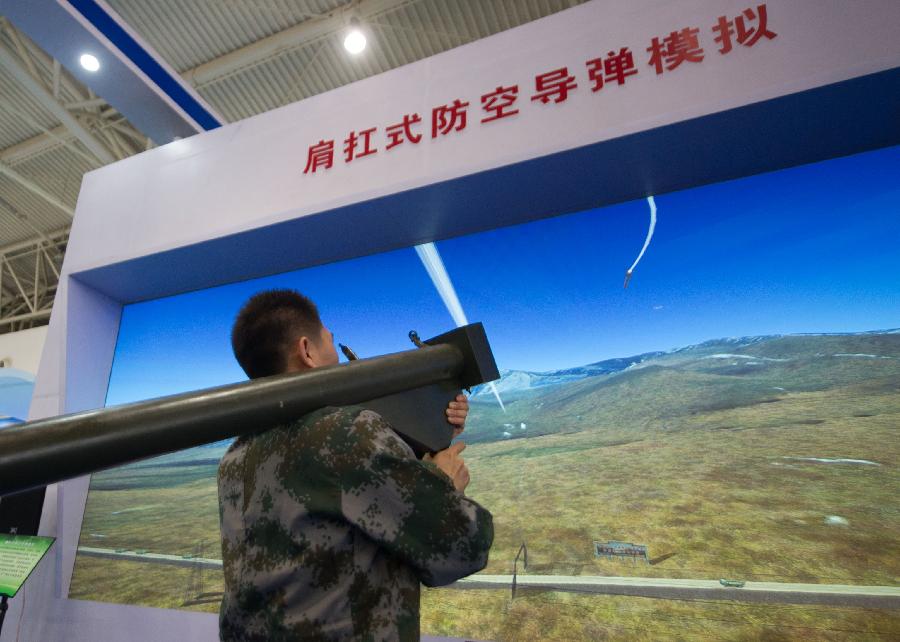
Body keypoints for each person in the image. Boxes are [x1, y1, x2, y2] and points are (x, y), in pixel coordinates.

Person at [218, 289, 494, 641]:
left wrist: (425, 428)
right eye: (330, 341)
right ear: (307, 351)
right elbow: (462, 547)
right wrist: (442, 480)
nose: (337, 352)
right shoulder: (345, 433)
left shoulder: (235, 456)